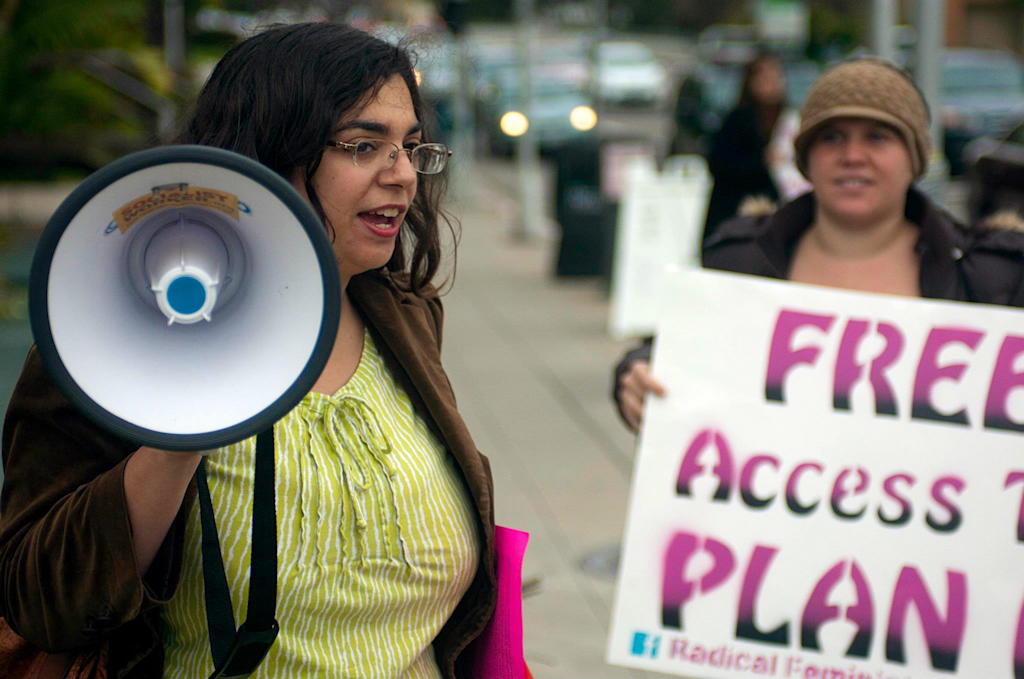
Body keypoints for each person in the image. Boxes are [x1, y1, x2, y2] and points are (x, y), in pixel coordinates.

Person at [0, 22, 498, 679]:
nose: (403, 175)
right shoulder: (104, 343)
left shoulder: (403, 316)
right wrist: (183, 426)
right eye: (361, 145)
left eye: (411, 148)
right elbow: (44, 601)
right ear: (263, 157)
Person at [614, 57, 1024, 432]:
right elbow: (672, 351)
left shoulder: (988, 276)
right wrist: (636, 374)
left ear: (913, 159)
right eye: (831, 138)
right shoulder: (739, 261)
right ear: (805, 159)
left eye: (877, 137)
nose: (852, 155)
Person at [702, 51, 787, 241]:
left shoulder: (786, 118)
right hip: (737, 214)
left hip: (774, 214)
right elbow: (720, 164)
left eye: (776, 77)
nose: (773, 83)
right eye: (765, 77)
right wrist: (762, 161)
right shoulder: (739, 119)